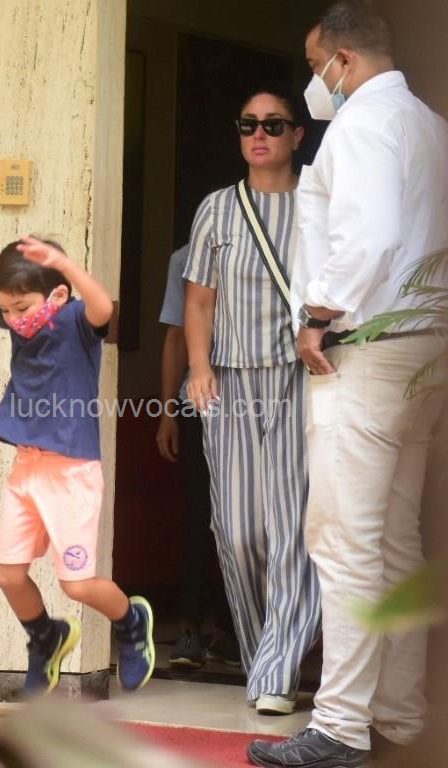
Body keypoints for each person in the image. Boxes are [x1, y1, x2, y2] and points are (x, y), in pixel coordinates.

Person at [248, 2, 448, 767]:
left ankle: (338, 728)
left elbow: (368, 236)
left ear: (344, 60)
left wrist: (317, 314)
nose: (314, 81)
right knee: (396, 541)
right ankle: (398, 714)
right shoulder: (429, 125)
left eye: (313, 65)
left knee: (345, 542)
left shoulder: (362, 124)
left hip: (363, 349)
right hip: (421, 350)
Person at [0, 222, 156, 696]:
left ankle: (131, 620)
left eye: (21, 308)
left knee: (77, 585)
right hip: (27, 467)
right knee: (7, 573)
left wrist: (65, 263)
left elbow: (104, 306)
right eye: (5, 309)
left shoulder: (76, 321)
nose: (12, 318)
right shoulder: (16, 319)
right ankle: (47, 636)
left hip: (72, 473)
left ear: (58, 295)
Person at [184, 91, 321, 714]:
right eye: (248, 125)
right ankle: (268, 652)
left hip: (300, 378)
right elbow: (199, 300)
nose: (258, 134)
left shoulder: (319, 199)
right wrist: (198, 368)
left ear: (297, 134)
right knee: (238, 530)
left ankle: (276, 673)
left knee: (291, 528)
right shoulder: (217, 208)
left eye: (272, 124)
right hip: (230, 381)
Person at [156, 243, 240, 668]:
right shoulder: (183, 259)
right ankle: (189, 627)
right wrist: (167, 412)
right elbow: (175, 337)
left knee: (246, 518)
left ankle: (232, 629)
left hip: (256, 401)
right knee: (197, 515)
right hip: (198, 403)